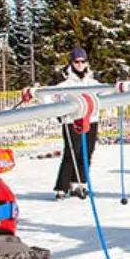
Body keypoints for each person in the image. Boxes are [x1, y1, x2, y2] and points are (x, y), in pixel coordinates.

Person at [51, 47, 100, 200]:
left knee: (87, 152)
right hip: (72, 121)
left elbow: (106, 93)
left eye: (82, 61)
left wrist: (120, 86)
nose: (79, 64)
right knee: (72, 152)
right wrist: (59, 113)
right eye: (76, 61)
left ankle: (80, 183)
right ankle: (62, 186)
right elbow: (49, 96)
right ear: (71, 63)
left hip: (91, 120)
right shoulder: (65, 82)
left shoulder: (92, 82)